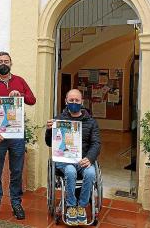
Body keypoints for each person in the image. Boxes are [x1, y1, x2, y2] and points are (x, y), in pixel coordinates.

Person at [0, 51, 36, 221]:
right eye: (0, 61)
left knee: (17, 171)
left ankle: (16, 202)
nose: (3, 63)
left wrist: (20, 95)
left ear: (11, 63)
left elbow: (32, 99)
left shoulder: (19, 81)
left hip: (16, 135)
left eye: (6, 61)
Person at [45, 89, 101, 225]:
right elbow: (48, 143)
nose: (74, 103)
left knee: (91, 172)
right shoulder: (58, 120)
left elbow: (96, 143)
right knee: (70, 171)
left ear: (82, 102)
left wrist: (90, 158)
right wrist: (48, 130)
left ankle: (81, 206)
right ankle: (70, 207)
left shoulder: (91, 122)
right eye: (71, 100)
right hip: (65, 161)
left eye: (77, 100)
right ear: (66, 101)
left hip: (83, 159)